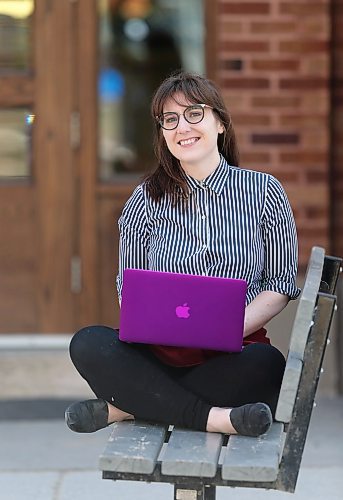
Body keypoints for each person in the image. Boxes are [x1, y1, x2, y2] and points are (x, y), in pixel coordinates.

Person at [65, 71, 300, 437]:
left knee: (267, 365)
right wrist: (153, 322)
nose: (182, 127)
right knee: (88, 343)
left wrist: (226, 330)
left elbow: (280, 284)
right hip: (158, 354)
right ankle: (216, 418)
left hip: (233, 352)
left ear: (220, 122)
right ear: (162, 133)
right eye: (169, 120)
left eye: (194, 113)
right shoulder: (145, 199)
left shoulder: (264, 192)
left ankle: (127, 407)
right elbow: (130, 283)